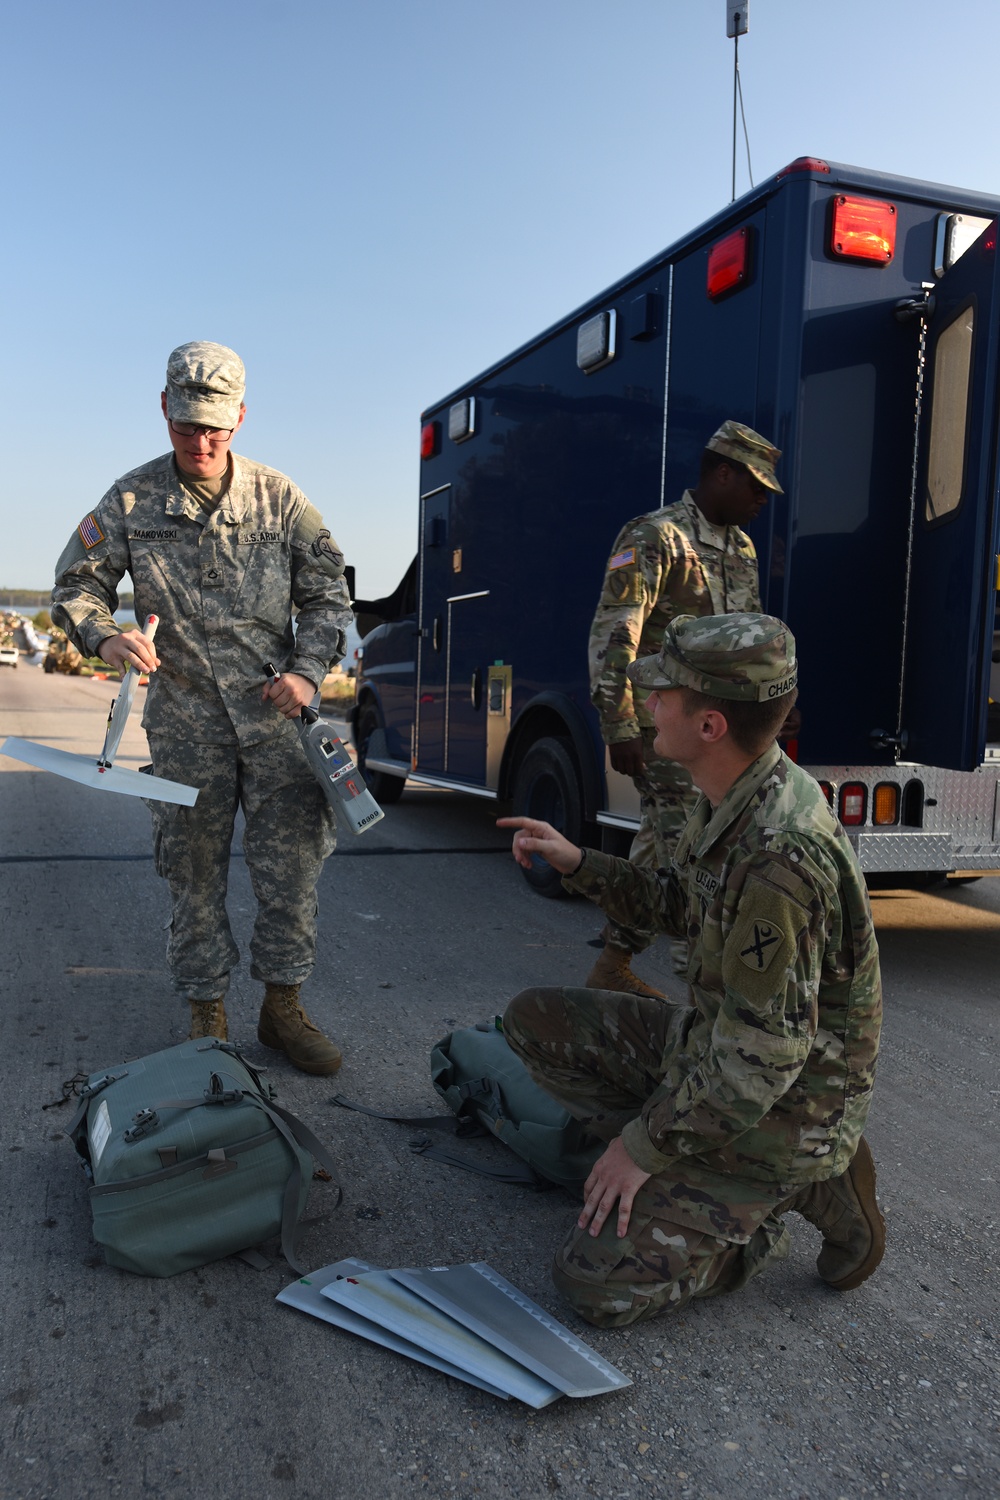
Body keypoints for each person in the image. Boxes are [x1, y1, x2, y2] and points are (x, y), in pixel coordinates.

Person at [499, 612, 883, 1328]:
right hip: (721, 1051)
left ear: (709, 725)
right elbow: (682, 901)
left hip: (787, 1107)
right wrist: (579, 861)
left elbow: (764, 1058)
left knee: (595, 1287)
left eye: (663, 694)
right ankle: (680, 1171)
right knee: (536, 1021)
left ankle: (789, 1194)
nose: (647, 706)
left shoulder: (779, 855)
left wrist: (641, 1148)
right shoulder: (736, 793)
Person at [52, 341, 352, 1074]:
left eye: (216, 426)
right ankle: (205, 1018)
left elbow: (328, 598)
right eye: (187, 425)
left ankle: (282, 1011)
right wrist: (105, 635)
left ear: (241, 417)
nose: (201, 441)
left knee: (291, 874)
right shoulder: (130, 499)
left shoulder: (280, 499)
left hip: (276, 724)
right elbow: (73, 586)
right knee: (192, 874)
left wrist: (311, 674)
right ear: (164, 410)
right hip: (184, 725)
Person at [587, 421, 781, 997]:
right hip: (666, 728)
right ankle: (705, 997)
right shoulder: (654, 535)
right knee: (701, 852)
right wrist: (620, 726)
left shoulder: (740, 547)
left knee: (661, 844)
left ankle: (612, 964)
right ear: (722, 473)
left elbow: (750, 639)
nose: (761, 501)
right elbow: (615, 634)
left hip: (722, 730)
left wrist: (771, 705)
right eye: (756, 488)